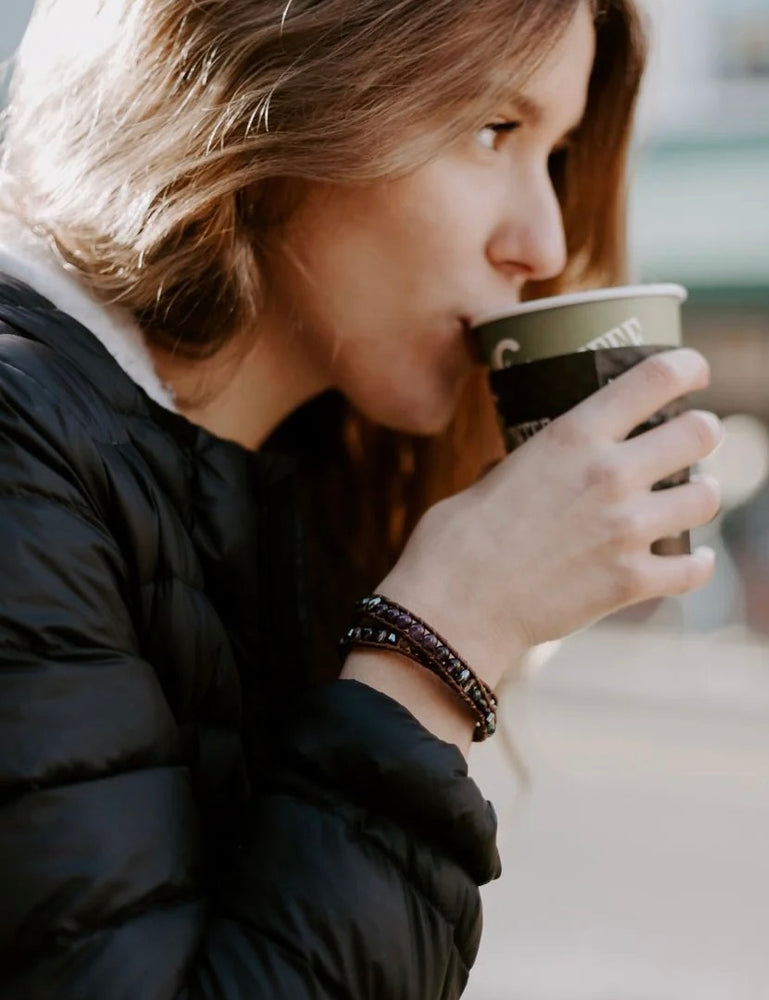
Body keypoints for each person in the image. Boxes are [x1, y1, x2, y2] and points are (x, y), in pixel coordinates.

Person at [0, 0, 723, 996]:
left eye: (555, 155)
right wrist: (443, 641)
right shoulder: (21, 448)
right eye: (492, 129)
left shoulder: (288, 483)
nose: (545, 243)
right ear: (276, 83)